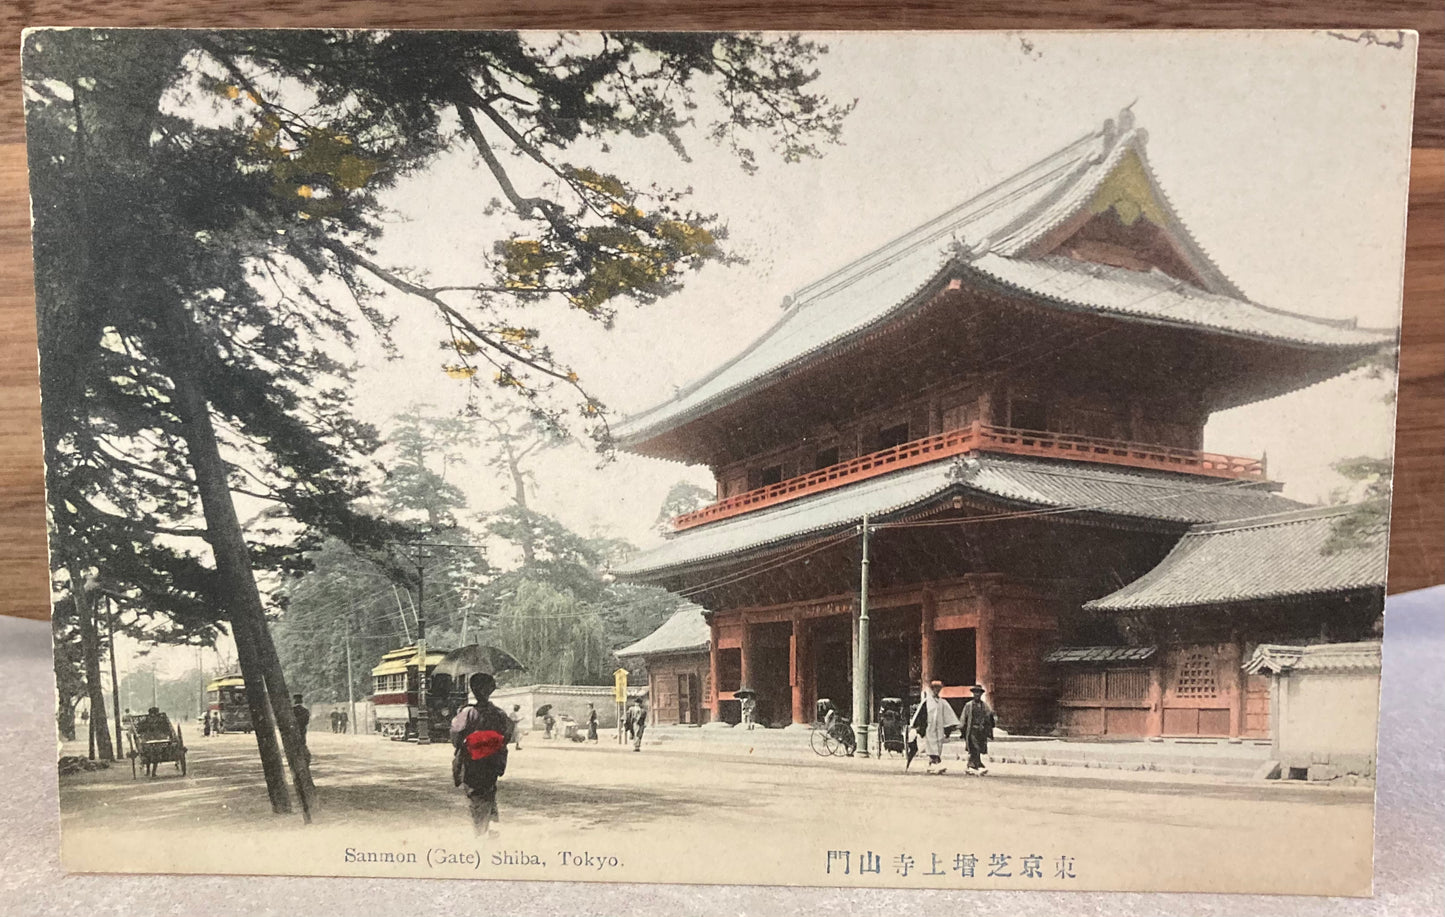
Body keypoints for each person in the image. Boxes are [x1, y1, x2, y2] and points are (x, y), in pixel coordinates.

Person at [450, 672, 513, 836]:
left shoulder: (467, 713)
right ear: (491, 690)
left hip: (473, 761)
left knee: (475, 794)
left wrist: (471, 741)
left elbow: (456, 737)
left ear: (473, 690)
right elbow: (507, 735)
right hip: (492, 760)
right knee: (489, 790)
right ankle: (491, 825)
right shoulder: (499, 713)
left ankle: (480, 831)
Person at [909, 679, 960, 774]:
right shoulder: (927, 702)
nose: (937, 690)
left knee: (938, 746)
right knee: (932, 746)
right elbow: (921, 715)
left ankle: (931, 764)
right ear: (932, 689)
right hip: (929, 728)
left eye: (939, 689)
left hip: (939, 728)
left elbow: (949, 716)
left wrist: (949, 728)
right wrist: (919, 727)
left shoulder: (942, 702)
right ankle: (936, 763)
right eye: (935, 689)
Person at [960, 684, 996, 775]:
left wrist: (989, 727)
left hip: (981, 730)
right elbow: (964, 718)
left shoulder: (984, 706)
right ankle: (976, 765)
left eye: (979, 693)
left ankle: (972, 765)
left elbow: (989, 717)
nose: (977, 695)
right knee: (974, 747)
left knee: (979, 748)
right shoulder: (968, 705)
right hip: (972, 729)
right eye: (975, 693)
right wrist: (962, 729)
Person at [292, 694, 312, 765]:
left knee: (294, 744)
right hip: (302, 729)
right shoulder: (305, 710)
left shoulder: (292, 710)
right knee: (302, 743)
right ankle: (305, 758)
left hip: (293, 730)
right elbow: (307, 721)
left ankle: (297, 760)